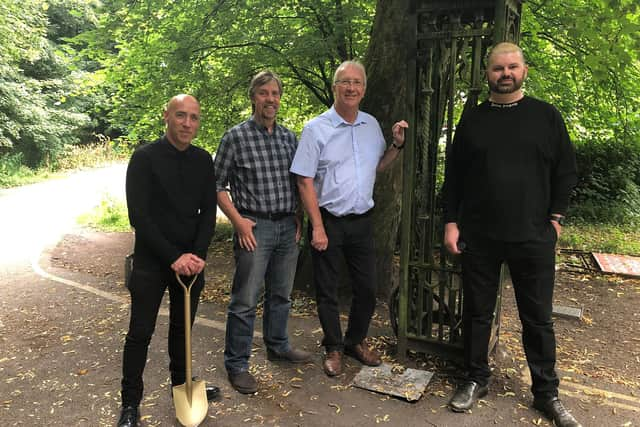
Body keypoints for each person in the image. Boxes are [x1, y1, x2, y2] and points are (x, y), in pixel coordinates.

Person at [442, 42, 581, 427]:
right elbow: (454, 177)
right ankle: (474, 379)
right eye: (498, 68)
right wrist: (451, 221)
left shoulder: (546, 117)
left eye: (512, 67)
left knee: (537, 318)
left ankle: (546, 393)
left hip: (533, 236)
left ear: (524, 70)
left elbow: (565, 172)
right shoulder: (473, 119)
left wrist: (555, 220)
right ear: (487, 73)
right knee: (477, 313)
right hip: (480, 235)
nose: (505, 73)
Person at [290, 60, 408, 377]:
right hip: (328, 219)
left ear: (364, 89)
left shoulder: (370, 126)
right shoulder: (316, 129)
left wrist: (397, 145)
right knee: (327, 290)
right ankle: (333, 347)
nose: (351, 88)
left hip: (362, 221)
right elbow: (304, 180)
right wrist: (316, 226)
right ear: (334, 88)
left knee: (367, 288)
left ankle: (355, 341)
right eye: (345, 82)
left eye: (357, 82)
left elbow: (378, 167)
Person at [117, 94, 219, 427]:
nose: (188, 123)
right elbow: (140, 217)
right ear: (166, 116)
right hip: (151, 262)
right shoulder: (144, 158)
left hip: (191, 265)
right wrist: (173, 257)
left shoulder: (203, 160)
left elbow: (208, 214)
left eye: (194, 117)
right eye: (181, 116)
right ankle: (130, 403)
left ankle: (183, 389)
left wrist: (197, 256)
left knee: (182, 332)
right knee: (140, 333)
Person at [214, 70, 312, 395]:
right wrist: (238, 221)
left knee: (281, 295)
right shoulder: (235, 137)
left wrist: (298, 215)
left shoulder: (288, 137)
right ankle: (237, 365)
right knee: (245, 300)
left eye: (275, 93)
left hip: (287, 227)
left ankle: (278, 345)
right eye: (264, 93)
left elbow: (298, 180)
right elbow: (216, 186)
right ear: (253, 97)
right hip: (253, 228)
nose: (270, 99)